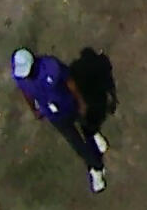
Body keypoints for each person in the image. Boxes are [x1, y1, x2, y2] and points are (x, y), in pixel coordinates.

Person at [10, 48, 105, 192]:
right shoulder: (21, 77)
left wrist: (80, 101)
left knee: (84, 120)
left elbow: (70, 82)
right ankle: (95, 167)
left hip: (69, 104)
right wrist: (34, 109)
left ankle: (93, 133)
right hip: (54, 115)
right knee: (76, 142)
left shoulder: (51, 66)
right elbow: (26, 92)